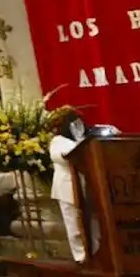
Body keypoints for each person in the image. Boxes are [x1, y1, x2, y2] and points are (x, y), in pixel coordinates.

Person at [51, 111, 98, 263]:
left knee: (93, 224)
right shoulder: (58, 141)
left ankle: (97, 254)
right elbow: (61, 157)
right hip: (67, 186)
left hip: (87, 186)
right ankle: (81, 256)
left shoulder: (84, 140)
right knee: (74, 225)